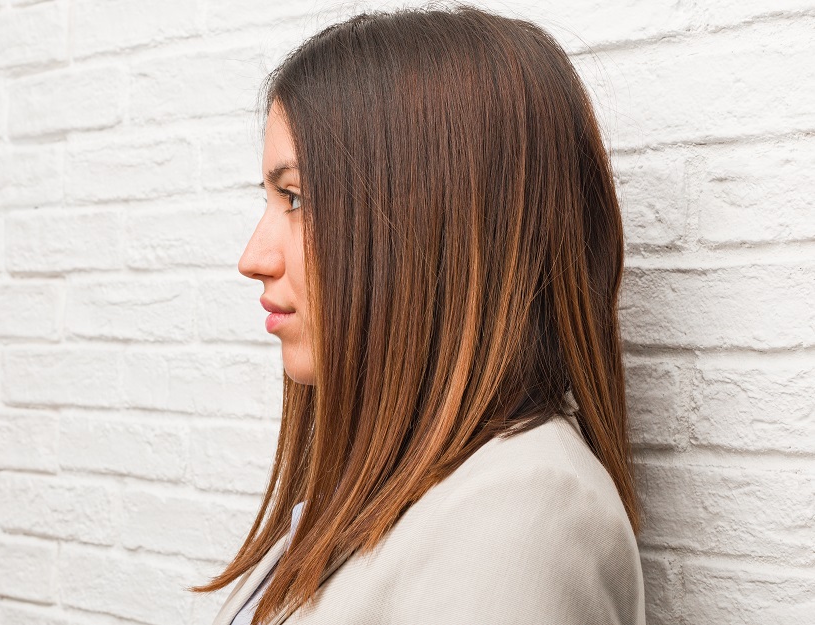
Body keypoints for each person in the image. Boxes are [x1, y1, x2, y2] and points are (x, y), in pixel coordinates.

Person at [191, 4, 646, 624]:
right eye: (272, 198)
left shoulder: (520, 518)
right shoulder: (394, 487)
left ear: (434, 228)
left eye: (296, 198)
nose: (253, 258)